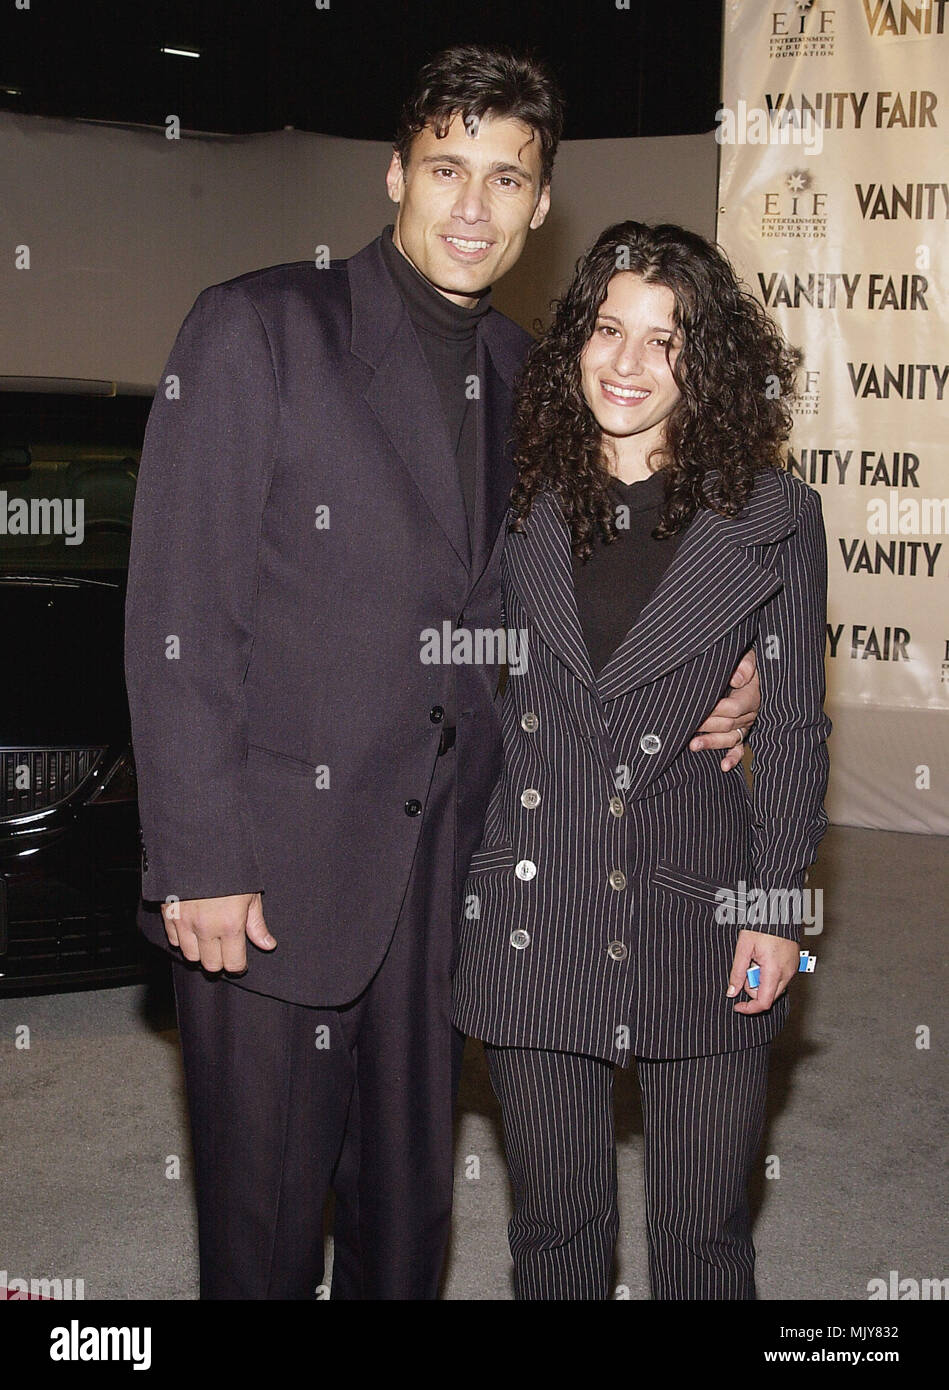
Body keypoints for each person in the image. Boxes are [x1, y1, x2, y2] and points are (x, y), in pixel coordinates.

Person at [124, 50, 761, 1302]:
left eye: (506, 178)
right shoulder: (260, 327)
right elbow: (179, 615)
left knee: (406, 1231)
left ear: (539, 205)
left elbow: (572, 614)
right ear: (396, 175)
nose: (474, 205)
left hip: (450, 882)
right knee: (258, 1239)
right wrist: (197, 854)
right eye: (447, 169)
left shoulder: (537, 382)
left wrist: (716, 686)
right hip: (266, 877)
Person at [452, 220, 832, 1301]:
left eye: (664, 340)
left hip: (701, 902)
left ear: (704, 360)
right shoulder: (510, 495)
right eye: (607, 329)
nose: (626, 363)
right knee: (556, 1235)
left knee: (706, 1237)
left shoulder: (773, 518)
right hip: (537, 896)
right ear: (573, 340)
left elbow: (798, 723)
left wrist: (774, 906)